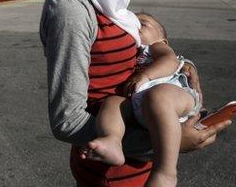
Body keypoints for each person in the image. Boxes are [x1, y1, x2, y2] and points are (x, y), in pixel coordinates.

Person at [40, 0, 231, 186]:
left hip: (138, 168)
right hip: (111, 174)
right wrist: (169, 143)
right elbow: (67, 121)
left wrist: (180, 66)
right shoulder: (72, 7)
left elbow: (125, 67)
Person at [82, 12, 201, 186]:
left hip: (173, 96)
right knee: (113, 103)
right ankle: (112, 139)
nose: (136, 27)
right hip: (143, 104)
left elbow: (170, 61)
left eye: (143, 24)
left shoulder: (156, 46)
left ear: (163, 39)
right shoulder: (133, 50)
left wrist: (146, 75)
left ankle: (165, 173)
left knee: (158, 97)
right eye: (132, 24)